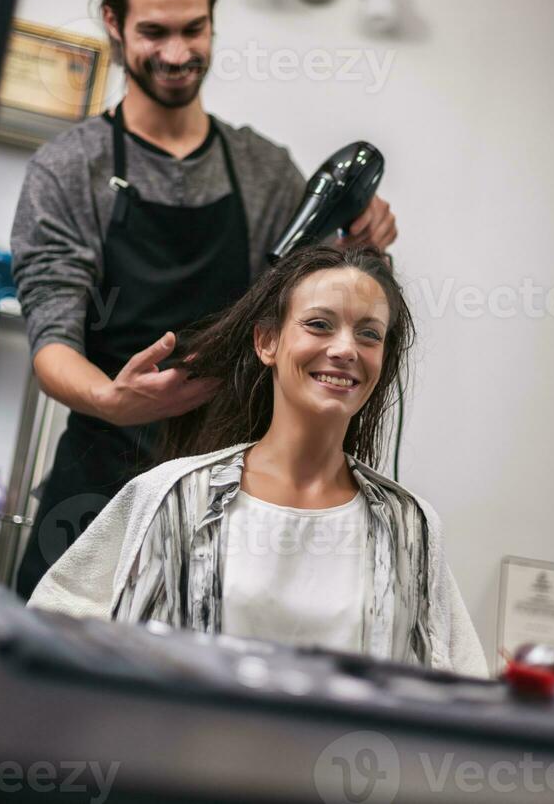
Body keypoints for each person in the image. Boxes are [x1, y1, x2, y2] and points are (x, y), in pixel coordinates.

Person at [11, 0, 398, 599]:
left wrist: (357, 250)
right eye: (155, 32)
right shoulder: (70, 168)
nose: (177, 51)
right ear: (114, 22)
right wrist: (111, 398)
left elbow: (313, 313)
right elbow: (51, 339)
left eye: (194, 29)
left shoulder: (263, 169)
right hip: (99, 481)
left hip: (229, 496)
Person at [28, 245, 487, 677]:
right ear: (267, 342)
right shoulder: (170, 498)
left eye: (369, 334)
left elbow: (462, 685)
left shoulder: (411, 527)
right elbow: (47, 635)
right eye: (320, 325)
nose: (346, 349)